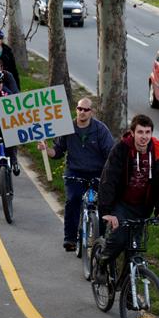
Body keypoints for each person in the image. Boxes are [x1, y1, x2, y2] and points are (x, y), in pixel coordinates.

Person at [94, 114, 159, 283]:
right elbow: (109, 179)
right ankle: (101, 262)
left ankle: (128, 292)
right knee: (119, 239)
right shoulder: (121, 149)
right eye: (140, 132)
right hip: (121, 203)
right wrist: (107, 211)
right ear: (133, 133)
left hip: (143, 206)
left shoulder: (158, 152)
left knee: (135, 249)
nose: (144, 136)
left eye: (148, 132)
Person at [37, 98, 114, 251]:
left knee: (103, 205)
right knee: (73, 200)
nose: (82, 112)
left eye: (86, 110)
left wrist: (109, 173)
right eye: (79, 109)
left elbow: (110, 154)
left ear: (92, 112)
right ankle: (70, 239)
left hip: (97, 173)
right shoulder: (67, 127)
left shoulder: (101, 130)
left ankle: (103, 240)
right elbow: (58, 151)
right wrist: (46, 150)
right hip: (75, 172)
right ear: (76, 110)